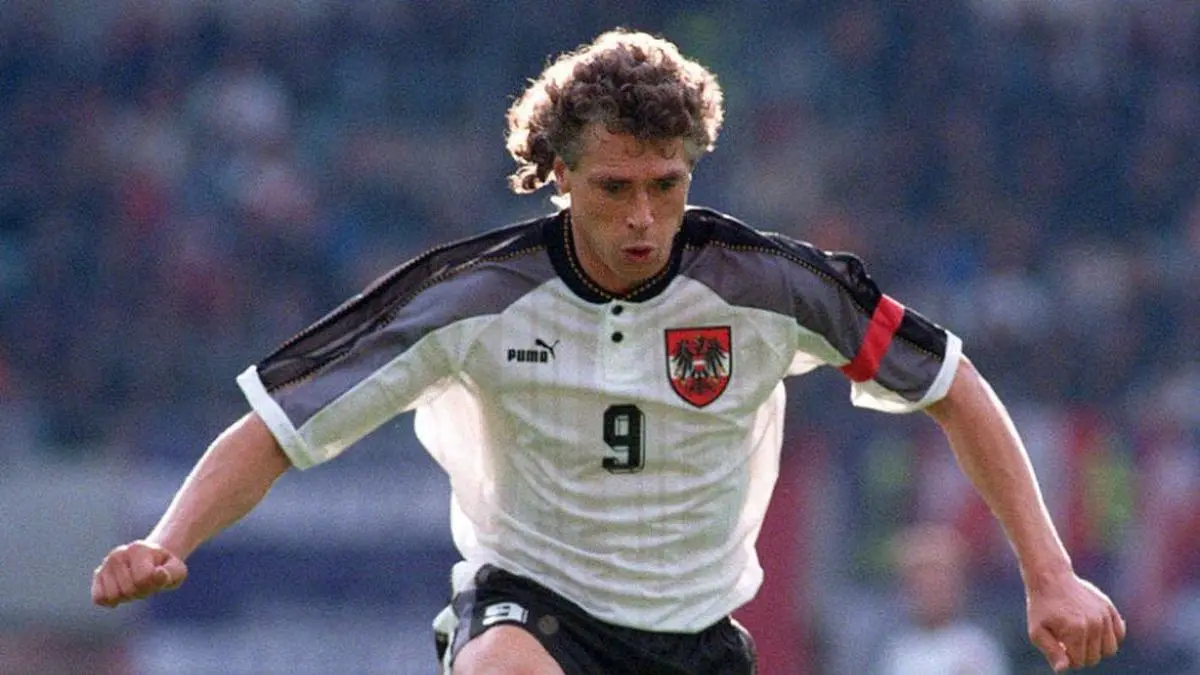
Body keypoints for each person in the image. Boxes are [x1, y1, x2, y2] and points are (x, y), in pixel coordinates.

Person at [91, 29, 1126, 674]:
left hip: (697, 637)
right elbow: (279, 425)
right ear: (557, 175)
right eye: (612, 188)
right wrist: (170, 538)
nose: (642, 217)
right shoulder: (470, 294)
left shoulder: (771, 283)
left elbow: (952, 385)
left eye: (665, 187)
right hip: (529, 607)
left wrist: (1050, 574)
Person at [875, 523, 1011, 675]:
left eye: (938, 584)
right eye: (921, 585)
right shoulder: (895, 653)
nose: (929, 593)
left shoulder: (977, 650)